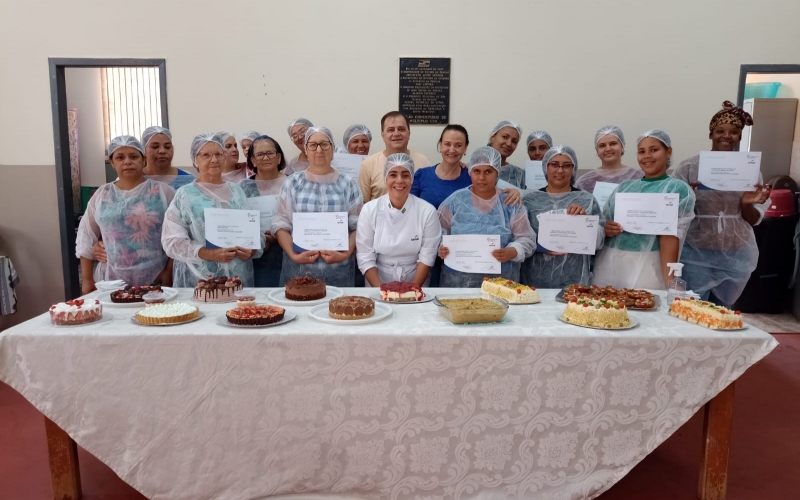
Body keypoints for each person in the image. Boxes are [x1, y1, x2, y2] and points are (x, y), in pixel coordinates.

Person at [673, 101, 771, 307]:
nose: (726, 136)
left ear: (739, 137)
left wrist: (746, 203)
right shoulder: (689, 168)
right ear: (711, 134)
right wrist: (688, 197)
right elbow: (672, 213)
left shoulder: (749, 170)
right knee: (692, 311)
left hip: (735, 254)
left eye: (733, 132)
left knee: (723, 315)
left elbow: (753, 220)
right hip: (695, 253)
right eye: (720, 131)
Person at [594, 130, 696, 290]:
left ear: (668, 152)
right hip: (610, 265)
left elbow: (670, 239)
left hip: (649, 268)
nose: (647, 156)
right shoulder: (624, 188)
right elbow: (603, 223)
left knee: (643, 310)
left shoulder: (677, 189)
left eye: (654, 150)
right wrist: (608, 229)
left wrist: (671, 283)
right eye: (642, 152)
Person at [76, 136, 175, 294]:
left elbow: (176, 236)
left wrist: (168, 271)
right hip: (109, 280)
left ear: (143, 160)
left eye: (133, 156)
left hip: (156, 278)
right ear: (112, 162)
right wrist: (87, 280)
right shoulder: (102, 195)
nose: (127, 161)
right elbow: (86, 237)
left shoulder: (163, 193)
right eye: (120, 157)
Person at [162, 133, 262, 287]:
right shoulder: (185, 195)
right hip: (201, 280)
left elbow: (255, 228)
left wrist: (253, 249)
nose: (214, 160)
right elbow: (172, 240)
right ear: (195, 160)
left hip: (239, 279)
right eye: (206, 155)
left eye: (218, 154)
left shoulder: (238, 191)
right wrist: (207, 253)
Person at [273, 126, 363, 286]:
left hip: (339, 272)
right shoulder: (292, 183)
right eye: (313, 145)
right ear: (306, 150)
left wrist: (346, 253)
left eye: (324, 144)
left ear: (333, 149)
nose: (319, 149)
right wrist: (293, 255)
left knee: (339, 310)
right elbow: (281, 224)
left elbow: (358, 226)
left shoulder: (348, 185)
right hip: (298, 273)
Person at [437, 147, 535, 287]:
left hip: (501, 284)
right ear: (470, 172)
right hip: (457, 284)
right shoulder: (454, 202)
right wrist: (441, 247)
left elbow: (526, 238)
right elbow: (438, 233)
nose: (481, 177)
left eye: (488, 171)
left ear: (497, 173)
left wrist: (512, 251)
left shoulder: (510, 203)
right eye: (477, 171)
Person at [521, 145, 605, 288]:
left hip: (575, 280)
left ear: (573, 169)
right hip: (533, 279)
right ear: (545, 167)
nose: (560, 170)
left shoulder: (586, 200)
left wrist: (585, 222)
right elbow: (521, 237)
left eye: (566, 166)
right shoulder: (529, 200)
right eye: (554, 164)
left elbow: (599, 241)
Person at [356, 154, 441, 286]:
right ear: (385, 178)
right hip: (377, 280)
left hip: (417, 280)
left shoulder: (427, 211)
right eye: (393, 174)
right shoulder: (369, 210)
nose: (399, 180)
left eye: (405, 175)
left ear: (412, 179)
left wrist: (412, 290)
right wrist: (381, 291)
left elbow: (427, 256)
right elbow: (365, 256)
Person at [240, 135, 288, 287]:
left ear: (279, 157)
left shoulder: (293, 183)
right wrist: (260, 237)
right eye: (260, 154)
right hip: (256, 257)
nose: (266, 157)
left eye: (270, 153)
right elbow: (238, 222)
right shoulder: (242, 188)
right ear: (252, 160)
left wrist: (279, 234)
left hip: (290, 254)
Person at [358, 111, 430, 203]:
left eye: (401, 129)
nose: (396, 134)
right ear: (383, 135)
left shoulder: (423, 162)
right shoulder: (368, 164)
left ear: (409, 133)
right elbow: (363, 202)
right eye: (391, 130)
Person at [575, 125, 643, 193]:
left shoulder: (639, 177)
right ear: (597, 151)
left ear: (622, 147)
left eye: (613, 144)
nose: (608, 149)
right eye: (602, 145)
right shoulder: (584, 182)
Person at [489, 120, 525, 189]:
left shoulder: (518, 174)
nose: (509, 144)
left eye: (514, 141)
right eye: (505, 137)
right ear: (492, 138)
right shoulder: (472, 168)